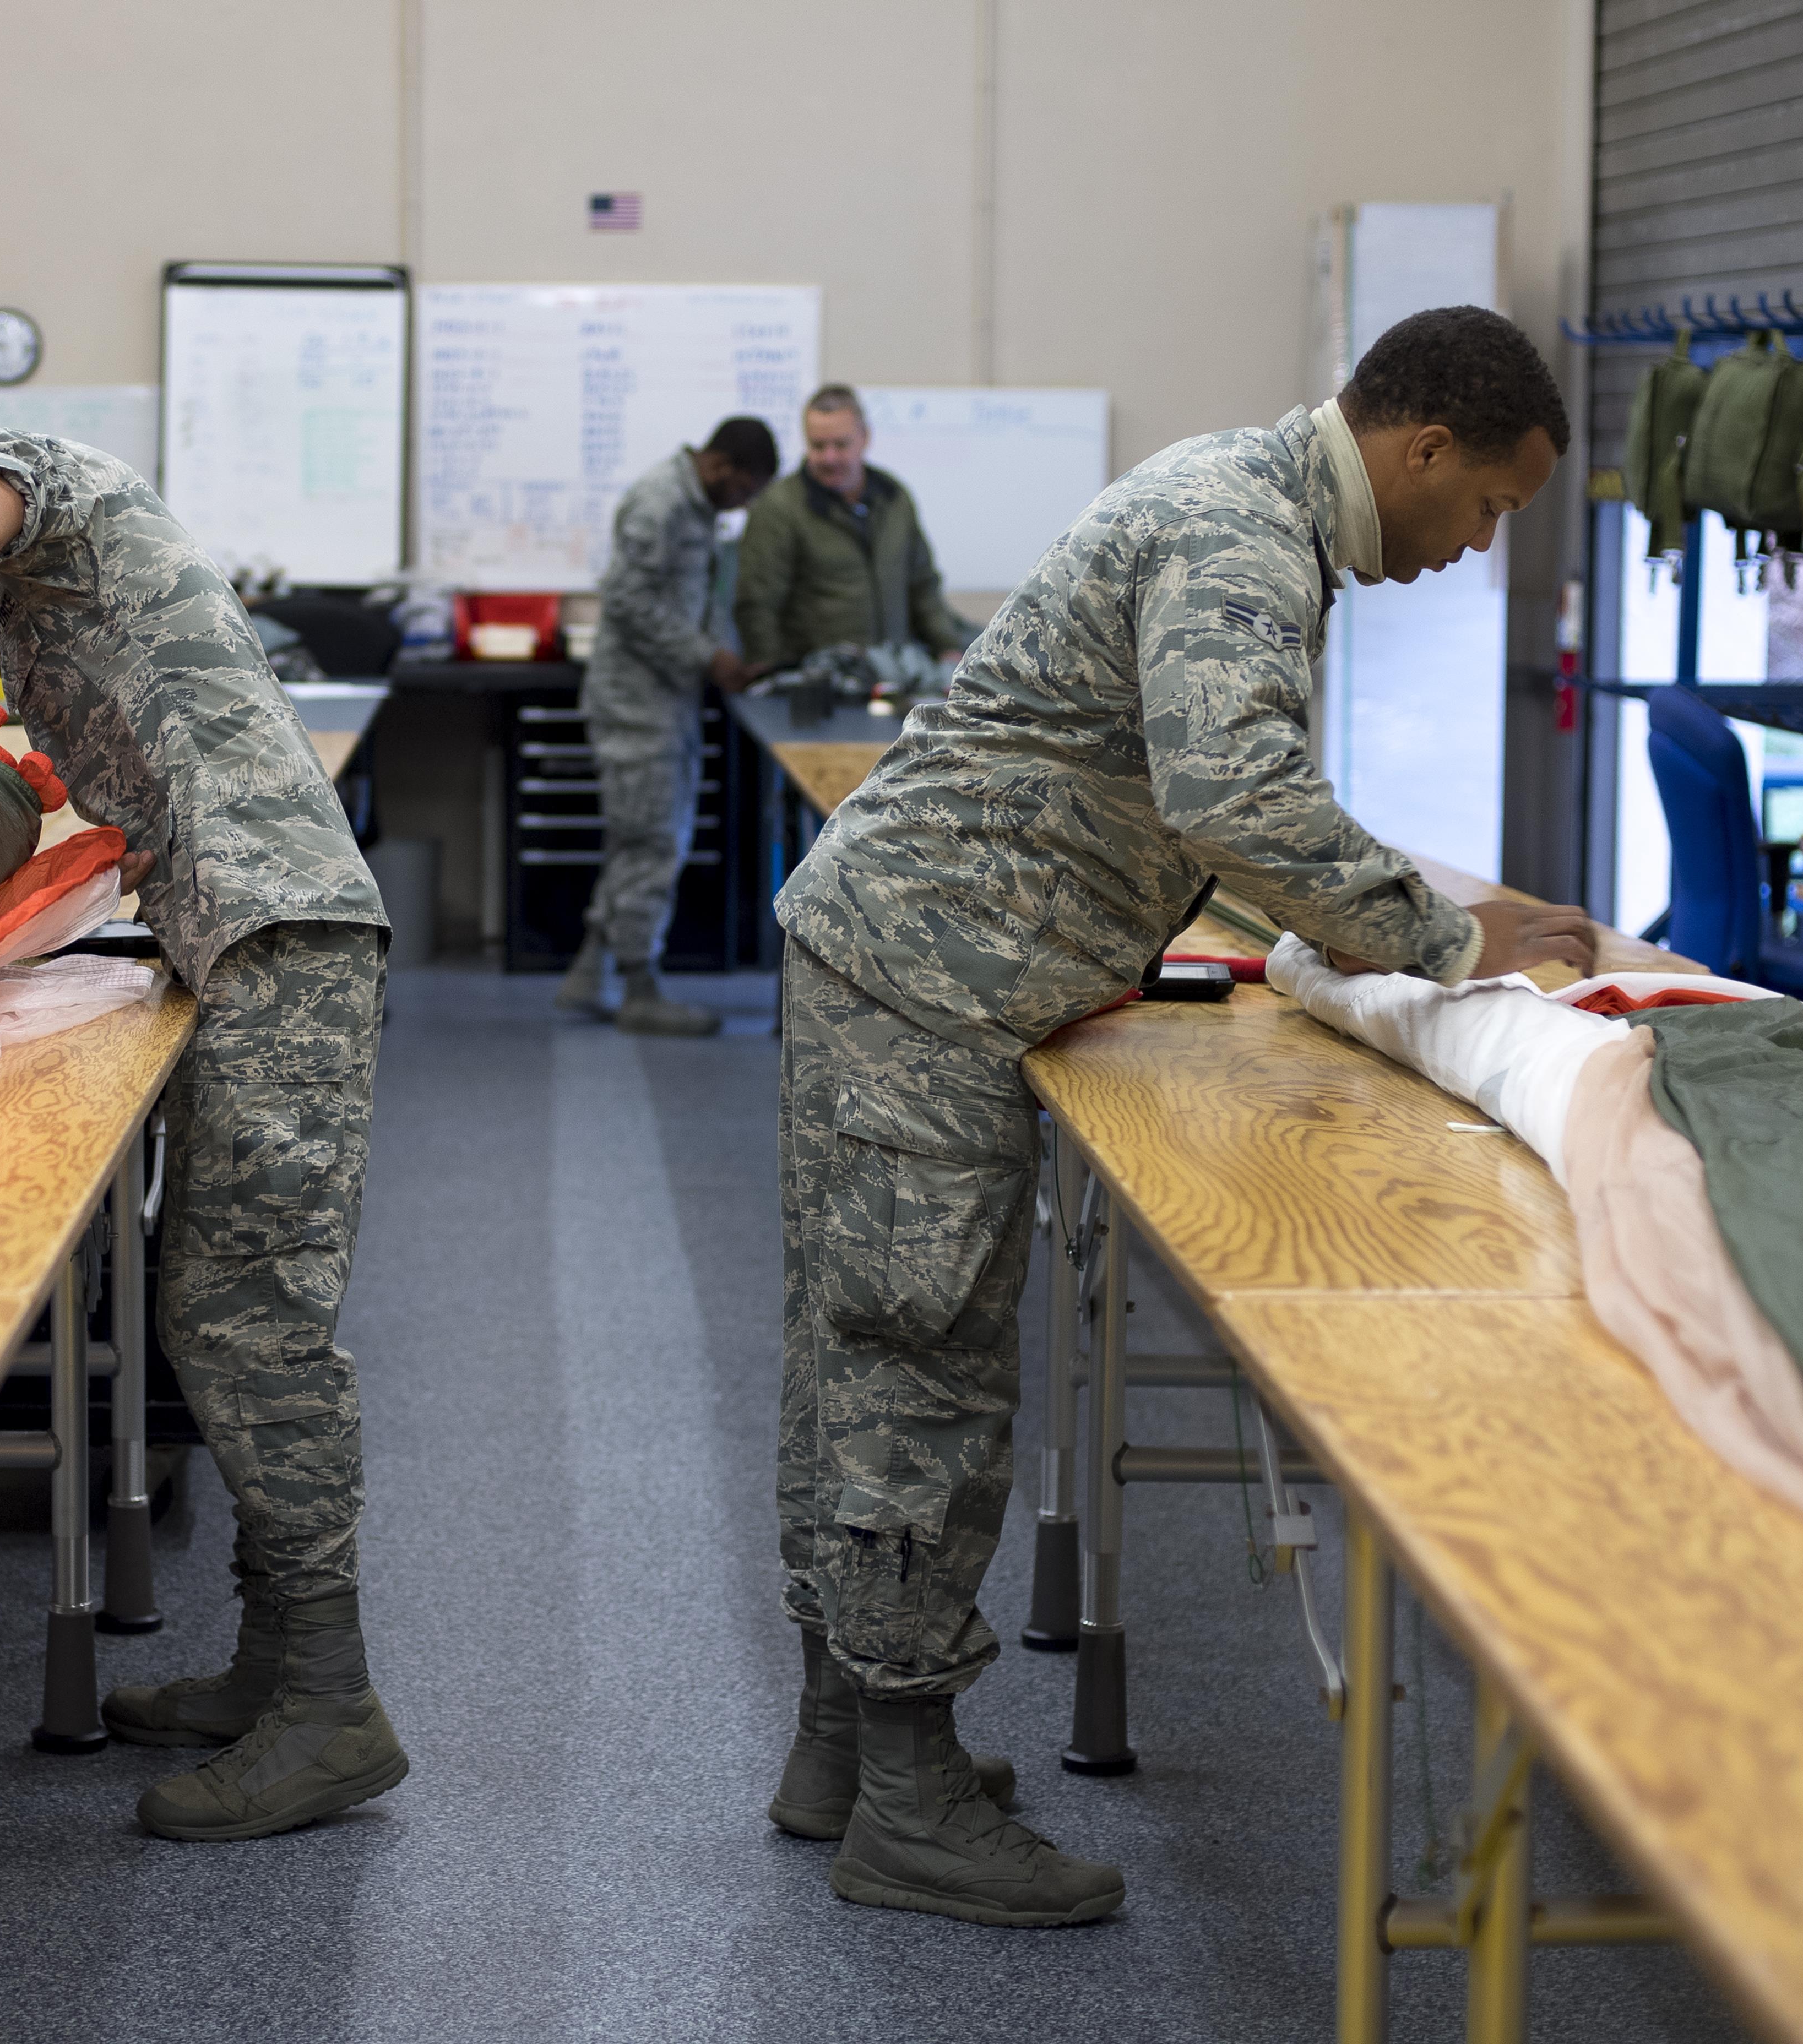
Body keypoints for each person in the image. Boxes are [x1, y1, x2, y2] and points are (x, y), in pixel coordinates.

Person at [767, 306, 1595, 1927]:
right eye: (1489, 506)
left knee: (857, 1355)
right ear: (1423, 449)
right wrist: (1445, 942)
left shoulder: (1248, 502)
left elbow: (1200, 789)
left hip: (908, 961)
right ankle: (906, 1796)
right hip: (929, 975)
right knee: (915, 1364)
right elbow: (1231, 792)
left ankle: (843, 1747)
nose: (1477, 544)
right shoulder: (1242, 527)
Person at [0, 435, 405, 1844]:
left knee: (253, 1322)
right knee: (210, 1308)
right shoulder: (28, 598)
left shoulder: (19, 482)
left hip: (280, 931)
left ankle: (333, 1701)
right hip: (241, 931)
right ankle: (274, 1658)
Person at [556, 417, 780, 1036]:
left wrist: (725, 654)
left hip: (664, 699)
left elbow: (691, 601)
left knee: (642, 837)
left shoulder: (696, 507)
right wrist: (707, 657)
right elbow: (628, 601)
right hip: (636, 703)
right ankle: (639, 987)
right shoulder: (662, 505)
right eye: (746, 490)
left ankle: (591, 973)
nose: (745, 504)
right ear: (721, 467)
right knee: (652, 841)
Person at [733, 385, 971, 677]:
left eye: (841, 445)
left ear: (865, 438)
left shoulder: (894, 498)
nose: (829, 458)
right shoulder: (780, 507)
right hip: (820, 679)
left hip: (895, 673)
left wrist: (947, 646)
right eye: (818, 446)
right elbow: (758, 604)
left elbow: (922, 585)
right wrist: (770, 673)